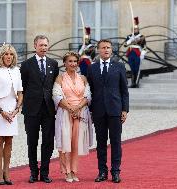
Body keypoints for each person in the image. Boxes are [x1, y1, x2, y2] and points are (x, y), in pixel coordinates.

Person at [87, 39, 129, 183]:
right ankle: (102, 172)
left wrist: (125, 109)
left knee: (116, 142)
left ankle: (116, 171)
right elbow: (90, 91)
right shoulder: (91, 68)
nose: (106, 50)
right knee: (101, 143)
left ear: (111, 50)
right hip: (98, 111)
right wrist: (90, 110)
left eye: (108, 48)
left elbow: (124, 90)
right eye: (103, 48)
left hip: (115, 110)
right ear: (98, 50)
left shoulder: (119, 66)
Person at [20, 35, 59, 183]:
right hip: (31, 110)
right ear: (35, 46)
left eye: (45, 45)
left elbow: (55, 86)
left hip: (49, 109)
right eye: (40, 45)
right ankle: (33, 173)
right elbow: (21, 87)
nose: (43, 48)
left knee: (48, 142)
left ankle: (44, 173)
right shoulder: (26, 65)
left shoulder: (53, 64)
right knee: (32, 142)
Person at [52, 51, 93, 182]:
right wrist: (70, 108)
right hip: (65, 112)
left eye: (75, 61)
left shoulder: (83, 78)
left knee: (76, 143)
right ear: (65, 63)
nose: (73, 64)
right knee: (65, 143)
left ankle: (74, 171)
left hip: (80, 113)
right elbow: (57, 96)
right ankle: (66, 171)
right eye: (70, 61)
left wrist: (77, 108)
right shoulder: (60, 78)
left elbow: (88, 96)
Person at [0, 44, 23, 185]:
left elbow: (20, 92)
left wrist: (17, 108)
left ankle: (7, 171)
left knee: (9, 141)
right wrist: (1, 111)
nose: (9, 57)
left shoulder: (17, 71)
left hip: (12, 108)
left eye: (11, 54)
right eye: (6, 54)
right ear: (1, 55)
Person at [125, 17, 146, 88]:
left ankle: (136, 83)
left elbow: (144, 46)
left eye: (136, 29)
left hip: (137, 53)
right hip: (130, 53)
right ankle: (132, 83)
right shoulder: (129, 36)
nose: (135, 30)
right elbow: (125, 45)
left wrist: (143, 54)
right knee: (132, 68)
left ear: (138, 29)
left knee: (137, 68)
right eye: (134, 29)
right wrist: (130, 40)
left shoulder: (142, 37)